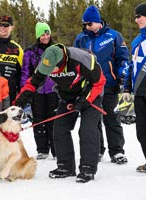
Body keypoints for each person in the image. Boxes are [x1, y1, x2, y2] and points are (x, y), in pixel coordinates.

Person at [14, 44, 106, 183]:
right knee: (59, 129)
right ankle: (66, 167)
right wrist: (19, 102)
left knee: (87, 130)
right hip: (67, 96)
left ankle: (87, 168)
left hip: (90, 95)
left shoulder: (81, 59)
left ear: (61, 61)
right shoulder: (45, 63)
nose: (50, 72)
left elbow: (99, 82)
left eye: (52, 69)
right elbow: (32, 84)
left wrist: (83, 101)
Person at [74, 5, 129, 164]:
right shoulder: (81, 38)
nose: (87, 27)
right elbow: (76, 62)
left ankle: (117, 151)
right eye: (85, 24)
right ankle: (98, 149)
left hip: (109, 84)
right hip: (90, 86)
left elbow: (123, 58)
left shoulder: (114, 36)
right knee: (93, 119)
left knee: (112, 117)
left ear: (98, 22)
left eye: (89, 24)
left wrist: (122, 76)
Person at [21, 22, 59, 160]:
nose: (45, 36)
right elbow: (25, 72)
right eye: (42, 34)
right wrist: (25, 91)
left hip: (53, 90)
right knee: (38, 120)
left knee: (53, 120)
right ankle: (42, 149)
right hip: (37, 91)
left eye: (47, 33)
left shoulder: (56, 50)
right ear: (38, 36)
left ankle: (56, 149)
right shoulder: (30, 52)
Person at [123, 3, 146, 173]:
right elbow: (132, 66)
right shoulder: (137, 40)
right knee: (142, 132)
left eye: (139, 16)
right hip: (139, 92)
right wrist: (126, 88)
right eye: (135, 17)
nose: (136, 19)